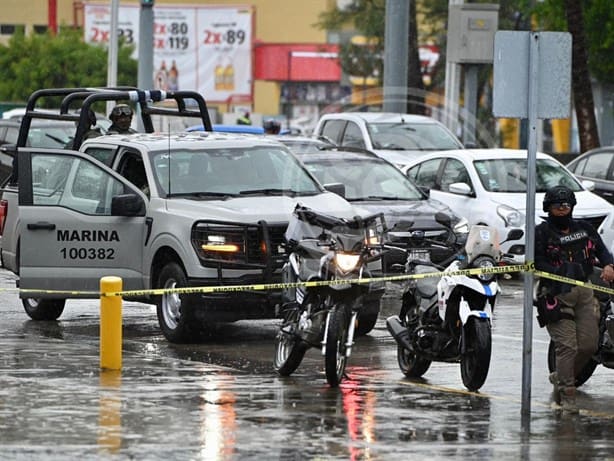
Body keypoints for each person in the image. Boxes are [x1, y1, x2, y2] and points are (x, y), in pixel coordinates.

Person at [534, 185, 614, 414]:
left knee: (589, 345)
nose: (562, 209)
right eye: (557, 206)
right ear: (548, 207)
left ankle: (560, 375)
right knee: (567, 347)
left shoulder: (584, 228)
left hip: (585, 291)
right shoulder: (541, 232)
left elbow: (601, 250)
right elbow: (537, 262)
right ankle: (567, 396)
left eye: (566, 205)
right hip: (555, 294)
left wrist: (609, 265)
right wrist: (561, 270)